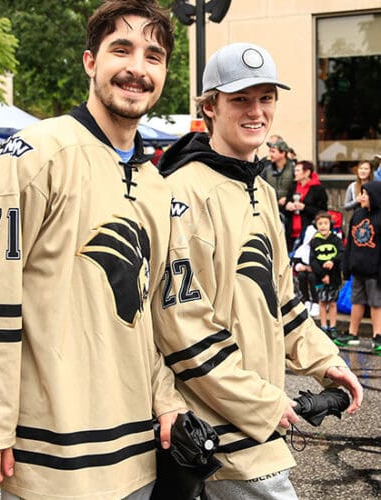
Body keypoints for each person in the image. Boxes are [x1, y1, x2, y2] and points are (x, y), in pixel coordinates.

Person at [0, 1, 186, 499]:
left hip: (137, 453)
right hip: (53, 458)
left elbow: (148, 314)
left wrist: (166, 399)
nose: (137, 68)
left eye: (153, 55)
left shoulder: (156, 184)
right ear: (90, 61)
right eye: (122, 49)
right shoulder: (31, 156)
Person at [152, 42, 363, 498]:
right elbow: (181, 328)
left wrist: (326, 363)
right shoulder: (181, 192)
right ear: (210, 106)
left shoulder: (263, 192)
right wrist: (264, 402)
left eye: (266, 98)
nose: (256, 111)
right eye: (241, 99)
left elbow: (284, 302)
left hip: (258, 421)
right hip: (217, 432)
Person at [336, 181, 381, 354]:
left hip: (374, 271)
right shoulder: (358, 215)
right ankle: (352, 333)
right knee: (357, 301)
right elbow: (350, 244)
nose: (362, 197)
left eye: (366, 194)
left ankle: (378, 335)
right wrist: (346, 266)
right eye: (361, 193)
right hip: (358, 269)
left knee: (376, 304)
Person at [309, 211, 344, 339]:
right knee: (322, 302)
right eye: (320, 224)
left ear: (331, 224)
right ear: (316, 225)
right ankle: (323, 326)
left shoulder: (336, 240)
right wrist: (323, 274)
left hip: (334, 276)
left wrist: (332, 261)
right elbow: (312, 261)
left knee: (333, 303)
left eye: (325, 223)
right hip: (320, 277)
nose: (323, 226)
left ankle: (333, 326)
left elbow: (341, 253)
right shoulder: (314, 242)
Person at [284, 160, 328, 251]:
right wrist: (288, 206)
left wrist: (304, 207)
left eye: (297, 171)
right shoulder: (293, 186)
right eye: (295, 170)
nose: (295, 173)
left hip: (309, 230)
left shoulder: (318, 189)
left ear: (307, 172)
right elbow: (286, 205)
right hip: (291, 230)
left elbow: (322, 211)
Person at [291, 224, 320, 318]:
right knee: (301, 276)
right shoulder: (302, 249)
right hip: (305, 271)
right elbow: (295, 264)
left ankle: (316, 302)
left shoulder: (319, 248)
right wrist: (302, 267)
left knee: (312, 277)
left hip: (317, 272)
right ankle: (306, 299)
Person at [260, 138, 295, 209]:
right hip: (271, 207)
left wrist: (288, 199)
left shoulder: (294, 169)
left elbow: (299, 189)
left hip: (289, 209)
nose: (270, 155)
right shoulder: (267, 170)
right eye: (270, 151)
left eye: (273, 152)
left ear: (283, 153)